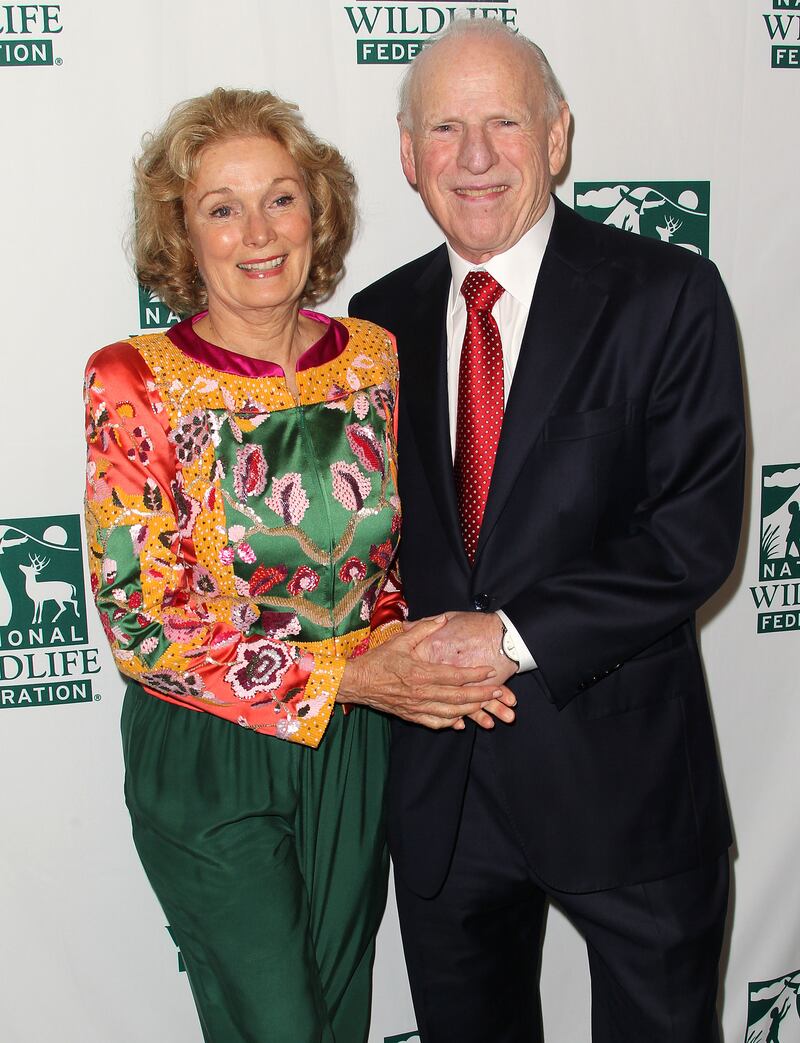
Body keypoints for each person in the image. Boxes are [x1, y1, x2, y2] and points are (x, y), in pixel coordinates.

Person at [83, 87, 513, 1043]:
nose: (258, 232)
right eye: (222, 208)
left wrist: (411, 657)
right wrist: (346, 675)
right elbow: (141, 623)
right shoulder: (132, 377)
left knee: (337, 1014)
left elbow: (395, 563)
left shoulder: (375, 358)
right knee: (277, 1025)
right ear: (182, 233)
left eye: (280, 198)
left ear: (317, 211)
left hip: (355, 744)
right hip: (209, 751)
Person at [350, 19, 745, 1043]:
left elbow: (690, 536)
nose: (474, 157)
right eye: (445, 129)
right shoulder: (374, 322)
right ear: (408, 154)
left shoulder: (666, 296)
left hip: (625, 785)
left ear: (557, 136)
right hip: (442, 794)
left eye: (504, 123)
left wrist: (510, 634)